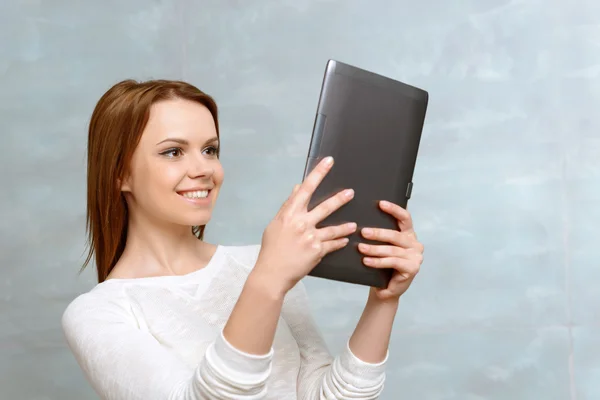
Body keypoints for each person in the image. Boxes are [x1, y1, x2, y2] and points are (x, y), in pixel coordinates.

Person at [61, 79, 424, 400]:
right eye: (173, 151)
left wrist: (384, 298)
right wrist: (268, 280)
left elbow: (328, 396)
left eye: (210, 149)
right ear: (119, 174)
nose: (204, 169)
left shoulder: (259, 262)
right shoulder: (98, 314)